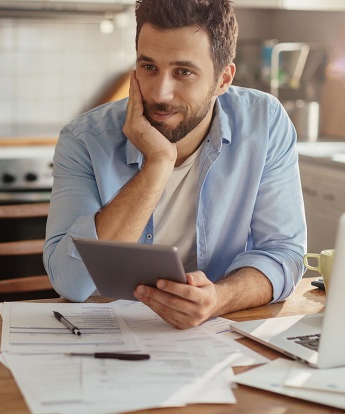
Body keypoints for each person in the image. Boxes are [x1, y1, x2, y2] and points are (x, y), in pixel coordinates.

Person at [44, 0, 306, 329]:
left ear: (223, 79)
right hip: (108, 333)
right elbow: (71, 283)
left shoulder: (264, 122)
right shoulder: (84, 139)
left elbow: (283, 253)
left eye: (183, 72)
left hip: (218, 335)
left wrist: (218, 299)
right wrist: (157, 164)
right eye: (148, 67)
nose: (160, 93)